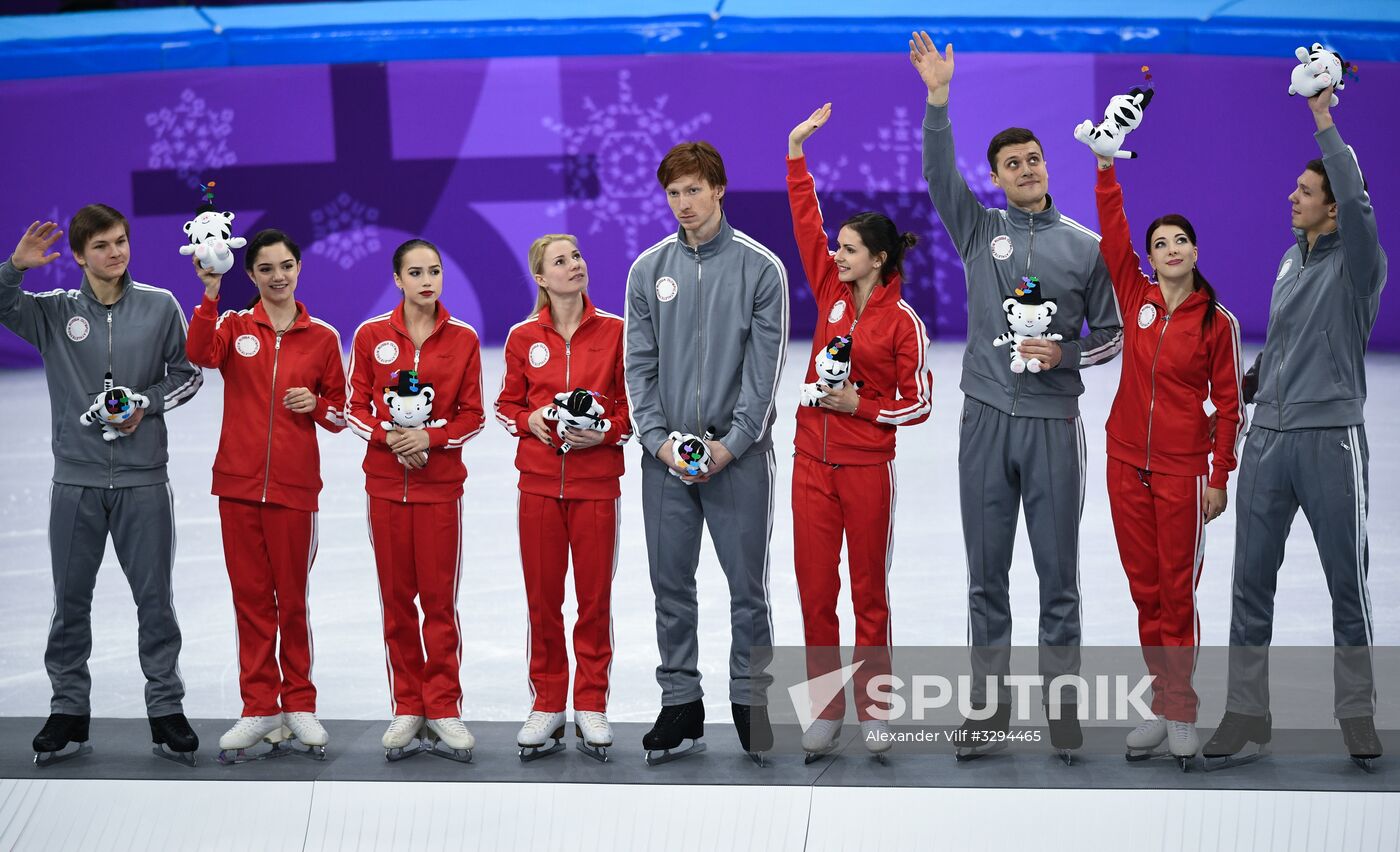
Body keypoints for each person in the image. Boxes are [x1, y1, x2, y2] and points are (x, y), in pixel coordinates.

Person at [909, 33, 1124, 761]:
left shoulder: (1085, 247)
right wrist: (939, 99)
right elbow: (938, 175)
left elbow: (1114, 335)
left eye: (1034, 159)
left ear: (1046, 166)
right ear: (997, 179)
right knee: (986, 578)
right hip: (985, 422)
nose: (1027, 169)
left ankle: (1062, 711)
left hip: (1054, 425)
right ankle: (989, 713)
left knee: (1058, 578)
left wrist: (1066, 353)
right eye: (1013, 164)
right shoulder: (979, 232)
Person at [1204, 85, 1387, 771]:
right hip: (1268, 442)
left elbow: (1357, 200)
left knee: (1347, 583)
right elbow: (1285, 344)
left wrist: (1322, 118)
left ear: (1335, 208)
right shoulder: (1291, 260)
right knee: (1250, 582)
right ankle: (1247, 712)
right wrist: (1246, 387)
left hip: (1330, 441)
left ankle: (1357, 715)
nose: (1292, 197)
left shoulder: (1359, 262)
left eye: (1306, 192)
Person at [1, 209, 202, 766]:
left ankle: (166, 710)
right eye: (102, 246)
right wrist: (14, 267)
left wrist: (146, 404)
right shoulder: (53, 313)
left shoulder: (160, 305)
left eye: (121, 242)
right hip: (76, 482)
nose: (115, 253)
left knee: (155, 604)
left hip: (143, 482)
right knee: (70, 604)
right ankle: (68, 711)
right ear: (80, 255)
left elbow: (187, 374)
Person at [624, 140, 789, 765]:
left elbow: (765, 372)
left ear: (718, 189)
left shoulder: (760, 268)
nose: (683, 203)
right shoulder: (648, 270)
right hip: (665, 460)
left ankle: (750, 701)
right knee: (670, 584)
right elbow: (638, 367)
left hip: (737, 459)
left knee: (747, 588)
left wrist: (732, 444)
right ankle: (680, 704)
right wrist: (659, 442)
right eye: (673, 193)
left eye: (694, 189)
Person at [785, 104, 934, 762]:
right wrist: (797, 155)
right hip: (810, 466)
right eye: (838, 248)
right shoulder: (830, 291)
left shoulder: (903, 323)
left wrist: (861, 406)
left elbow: (918, 403)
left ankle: (876, 708)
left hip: (868, 469)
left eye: (849, 249)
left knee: (869, 593)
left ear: (878, 258)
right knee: (816, 594)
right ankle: (824, 709)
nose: (837, 255)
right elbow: (806, 224)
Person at [1089, 143, 1244, 768]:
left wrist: (1219, 476)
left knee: (1178, 596)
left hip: (1183, 474)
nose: (1171, 249)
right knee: (1146, 593)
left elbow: (1229, 407)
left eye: (1180, 241)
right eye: (1160, 244)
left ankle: (1180, 709)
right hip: (1125, 464)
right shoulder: (1137, 298)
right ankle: (1162, 701)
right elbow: (1112, 234)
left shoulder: (1217, 323)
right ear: (1150, 259)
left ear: (1196, 252)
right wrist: (1106, 170)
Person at [186, 229, 346, 762]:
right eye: (266, 269)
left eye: (286, 266)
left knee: (292, 602)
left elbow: (340, 414)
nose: (278, 276)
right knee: (251, 601)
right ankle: (259, 707)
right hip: (238, 486)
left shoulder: (322, 337)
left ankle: (299, 703)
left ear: (299, 268)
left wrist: (315, 405)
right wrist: (210, 293)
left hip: (294, 490)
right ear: (251, 275)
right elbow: (199, 353)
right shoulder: (233, 326)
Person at [346, 238, 484, 763]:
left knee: (439, 603)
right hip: (385, 489)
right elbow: (355, 407)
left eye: (435, 271)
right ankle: (407, 704)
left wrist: (430, 437)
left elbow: (473, 415)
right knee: (397, 602)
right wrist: (392, 439)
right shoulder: (371, 335)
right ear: (398, 280)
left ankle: (443, 705)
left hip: (440, 491)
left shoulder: (463, 339)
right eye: (416, 273)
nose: (428, 281)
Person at [495, 234, 630, 763]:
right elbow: (505, 405)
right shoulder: (522, 336)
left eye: (576, 257)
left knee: (595, 600)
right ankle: (548, 702)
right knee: (543, 599)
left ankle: (591, 702)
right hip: (539, 486)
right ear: (541, 278)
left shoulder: (617, 331)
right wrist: (528, 419)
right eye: (560, 261)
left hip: (596, 486)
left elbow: (633, 409)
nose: (574, 265)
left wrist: (605, 432)